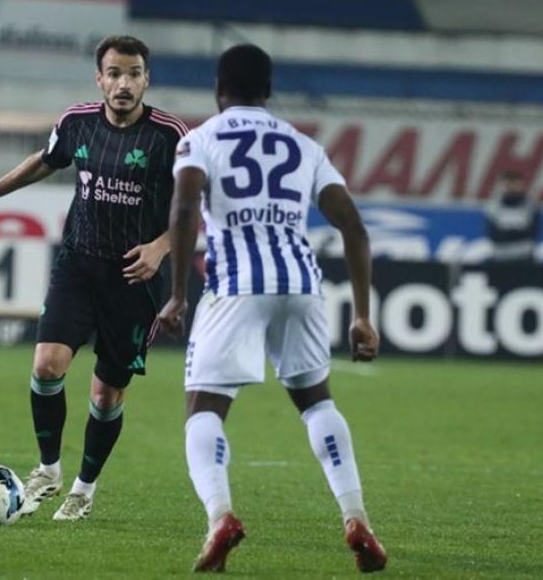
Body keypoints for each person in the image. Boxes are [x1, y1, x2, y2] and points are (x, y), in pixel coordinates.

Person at [0, 35, 187, 520]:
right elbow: (45, 160)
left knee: (106, 394)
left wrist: (160, 247)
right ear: (100, 79)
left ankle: (83, 489)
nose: (124, 84)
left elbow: (199, 205)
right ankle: (48, 469)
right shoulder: (77, 122)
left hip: (134, 278)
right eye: (114, 73)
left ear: (146, 79)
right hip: (78, 265)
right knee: (47, 365)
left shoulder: (170, 135)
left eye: (134, 74)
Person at [158, 44, 387, 573]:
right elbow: (354, 227)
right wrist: (362, 315)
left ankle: (220, 516)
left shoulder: (200, 139)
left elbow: (186, 205)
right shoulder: (303, 145)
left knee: (204, 409)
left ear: (219, 88)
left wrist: (177, 295)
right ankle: (356, 517)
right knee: (317, 403)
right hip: (301, 284)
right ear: (268, 89)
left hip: (237, 285)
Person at [485, 169, 539, 263]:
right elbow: (493, 234)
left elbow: (531, 232)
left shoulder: (530, 207)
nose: (512, 188)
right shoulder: (493, 206)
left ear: (522, 186)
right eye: (508, 185)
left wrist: (507, 232)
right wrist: (517, 231)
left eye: (516, 185)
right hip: (500, 256)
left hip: (524, 256)